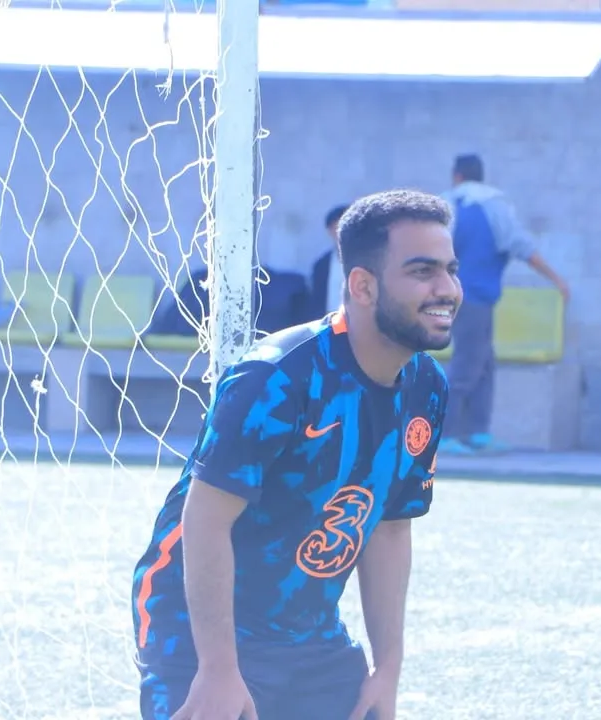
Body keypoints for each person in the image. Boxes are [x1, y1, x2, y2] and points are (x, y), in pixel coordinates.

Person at [131, 189, 460, 720]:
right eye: (422, 272)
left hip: (309, 636)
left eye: (450, 269)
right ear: (363, 285)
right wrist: (216, 669)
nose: (446, 289)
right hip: (196, 628)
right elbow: (205, 520)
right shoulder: (278, 377)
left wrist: (388, 670)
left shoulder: (427, 388)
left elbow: (392, 528)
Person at [438, 153, 569, 455]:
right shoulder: (493, 206)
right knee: (468, 366)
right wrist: (556, 279)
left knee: (483, 364)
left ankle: (476, 431)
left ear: (456, 175)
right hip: (474, 297)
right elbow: (521, 246)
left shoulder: (445, 206)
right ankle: (447, 434)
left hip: (450, 295)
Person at [308, 204, 351, 320]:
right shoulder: (321, 265)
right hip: (329, 323)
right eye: (335, 228)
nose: (340, 234)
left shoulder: (367, 260)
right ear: (330, 231)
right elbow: (316, 301)